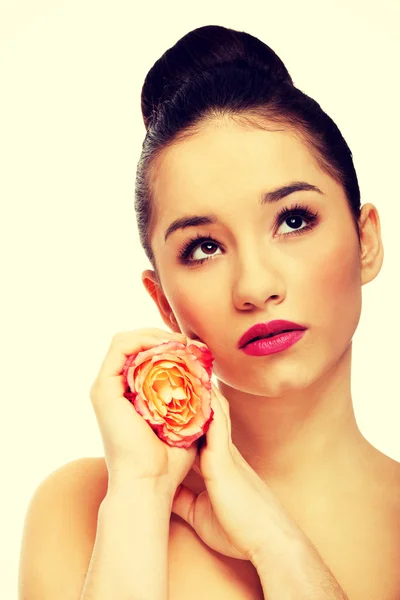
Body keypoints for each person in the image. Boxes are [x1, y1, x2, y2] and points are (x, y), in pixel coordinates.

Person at [18, 24, 400, 600]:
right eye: (204, 247)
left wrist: (277, 544)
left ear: (365, 240)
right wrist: (141, 497)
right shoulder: (84, 510)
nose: (255, 286)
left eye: (293, 220)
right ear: (163, 303)